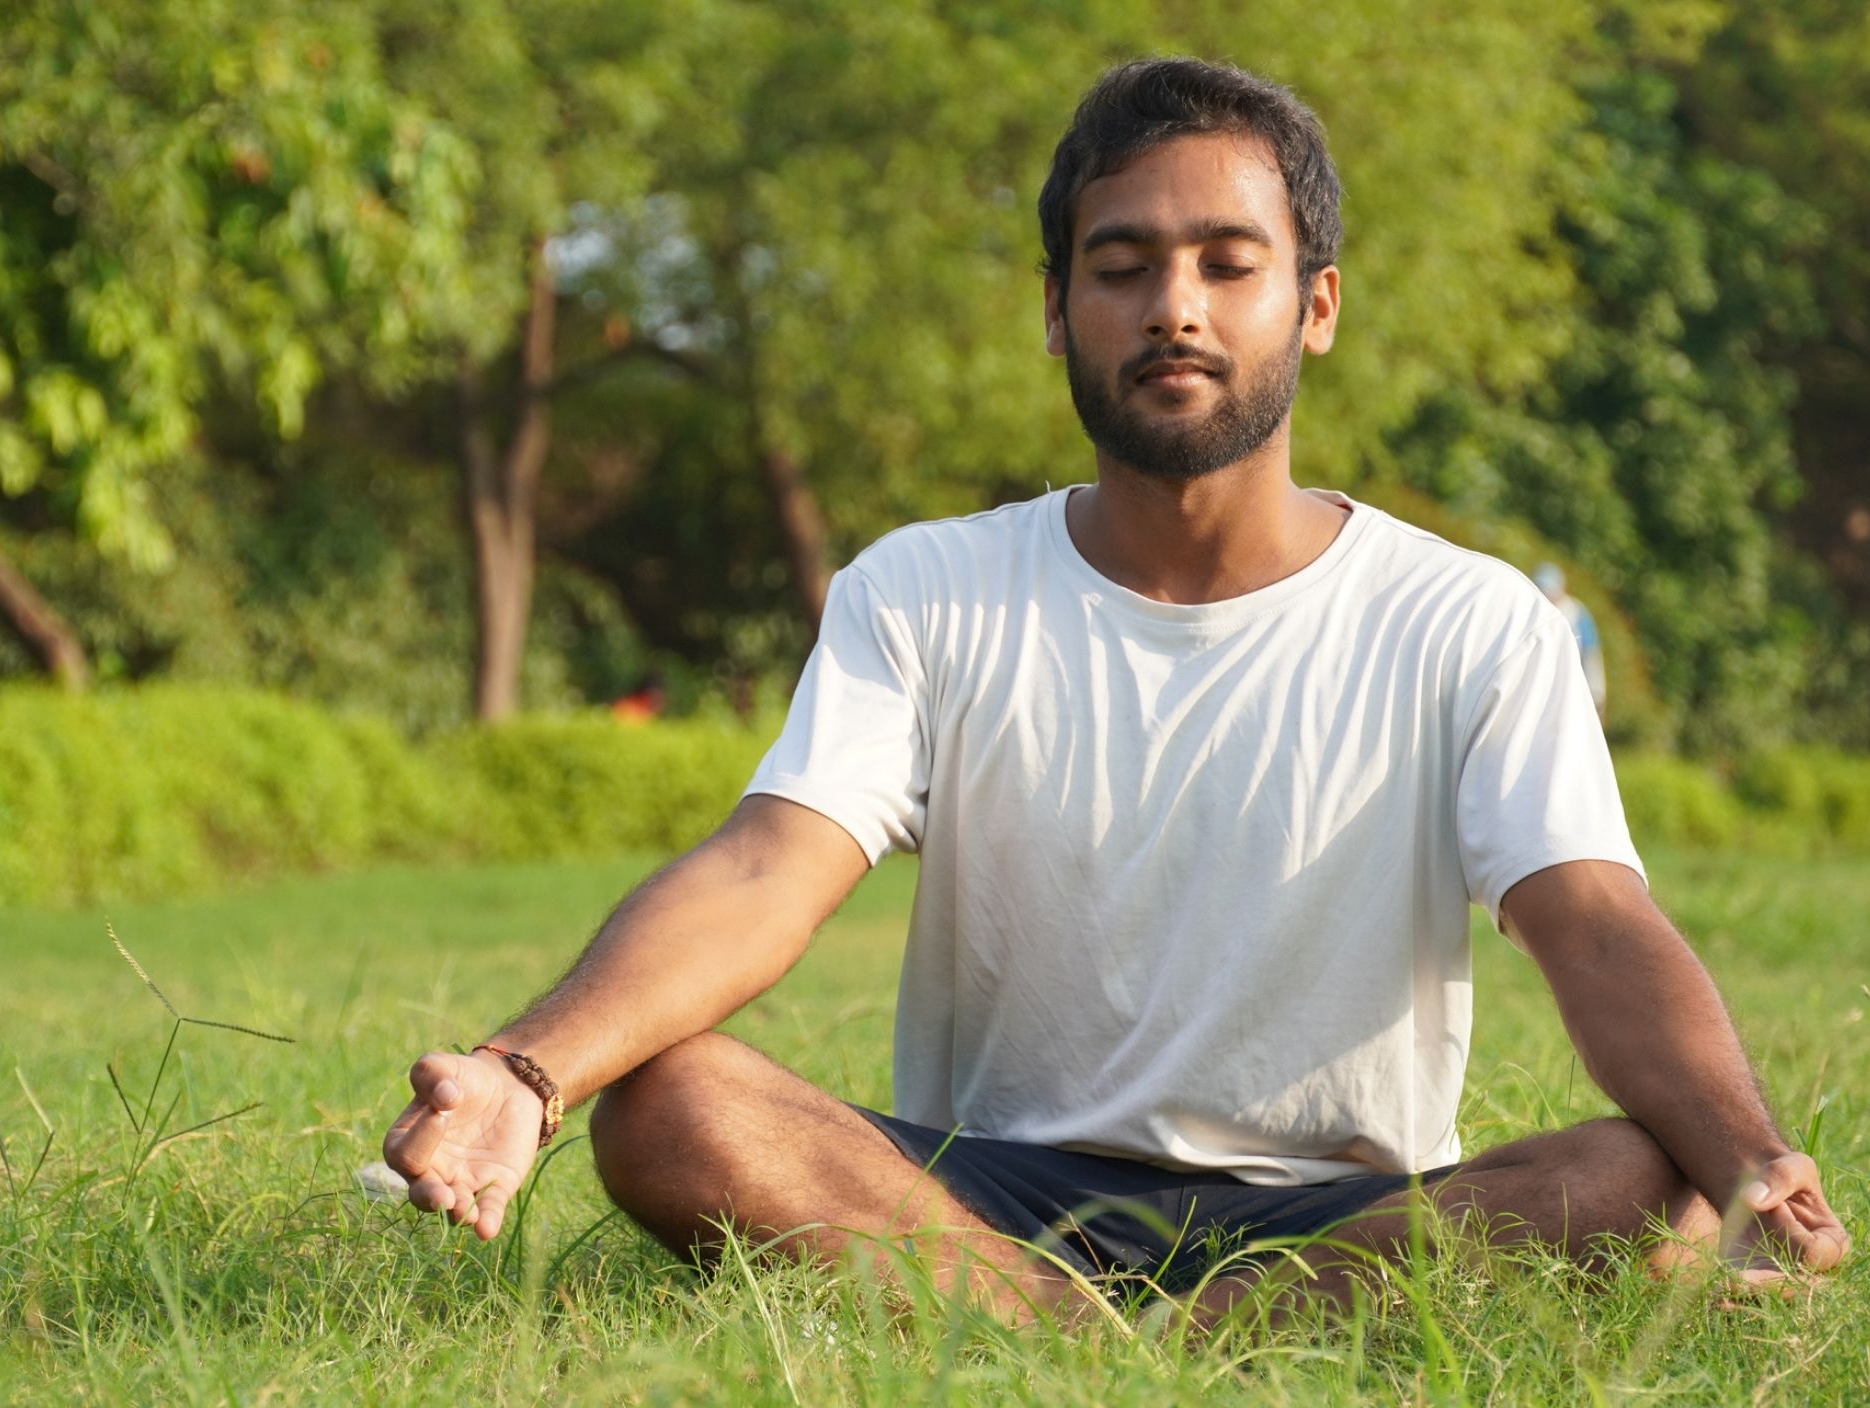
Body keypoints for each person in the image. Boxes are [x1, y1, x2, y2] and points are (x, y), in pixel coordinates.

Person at [379, 57, 1848, 1318]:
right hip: (973, 1197)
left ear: (1315, 304)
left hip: (1337, 1217)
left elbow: (1590, 921)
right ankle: (1078, 1338)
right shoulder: (927, 586)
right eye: (1122, 264)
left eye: (1226, 261)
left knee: (1640, 1179)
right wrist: (529, 1071)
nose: (1174, 307)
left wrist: (1747, 1155)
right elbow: (770, 866)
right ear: (1056, 305)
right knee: (671, 1102)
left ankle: (1117, 1344)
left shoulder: (1466, 619)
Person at [1532, 562, 1607, 720]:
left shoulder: (1576, 613)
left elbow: (1590, 654)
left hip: (1571, 689)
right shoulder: (1534, 609)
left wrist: (1596, 693)